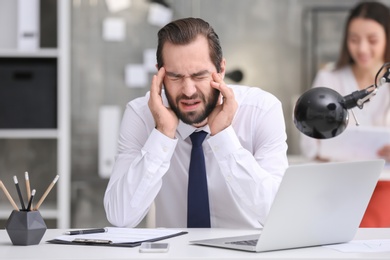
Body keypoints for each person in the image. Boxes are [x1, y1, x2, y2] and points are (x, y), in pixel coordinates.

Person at [104, 17, 288, 228]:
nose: (188, 91)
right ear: (160, 75)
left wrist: (223, 137)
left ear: (221, 70)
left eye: (199, 76)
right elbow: (120, 217)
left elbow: (276, 214)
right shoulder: (141, 114)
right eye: (175, 77)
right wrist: (162, 134)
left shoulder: (261, 110)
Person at [300, 1, 390, 227]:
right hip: (336, 186)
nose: (362, 49)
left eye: (372, 40)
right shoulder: (329, 79)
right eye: (353, 39)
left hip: (384, 189)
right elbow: (309, 143)